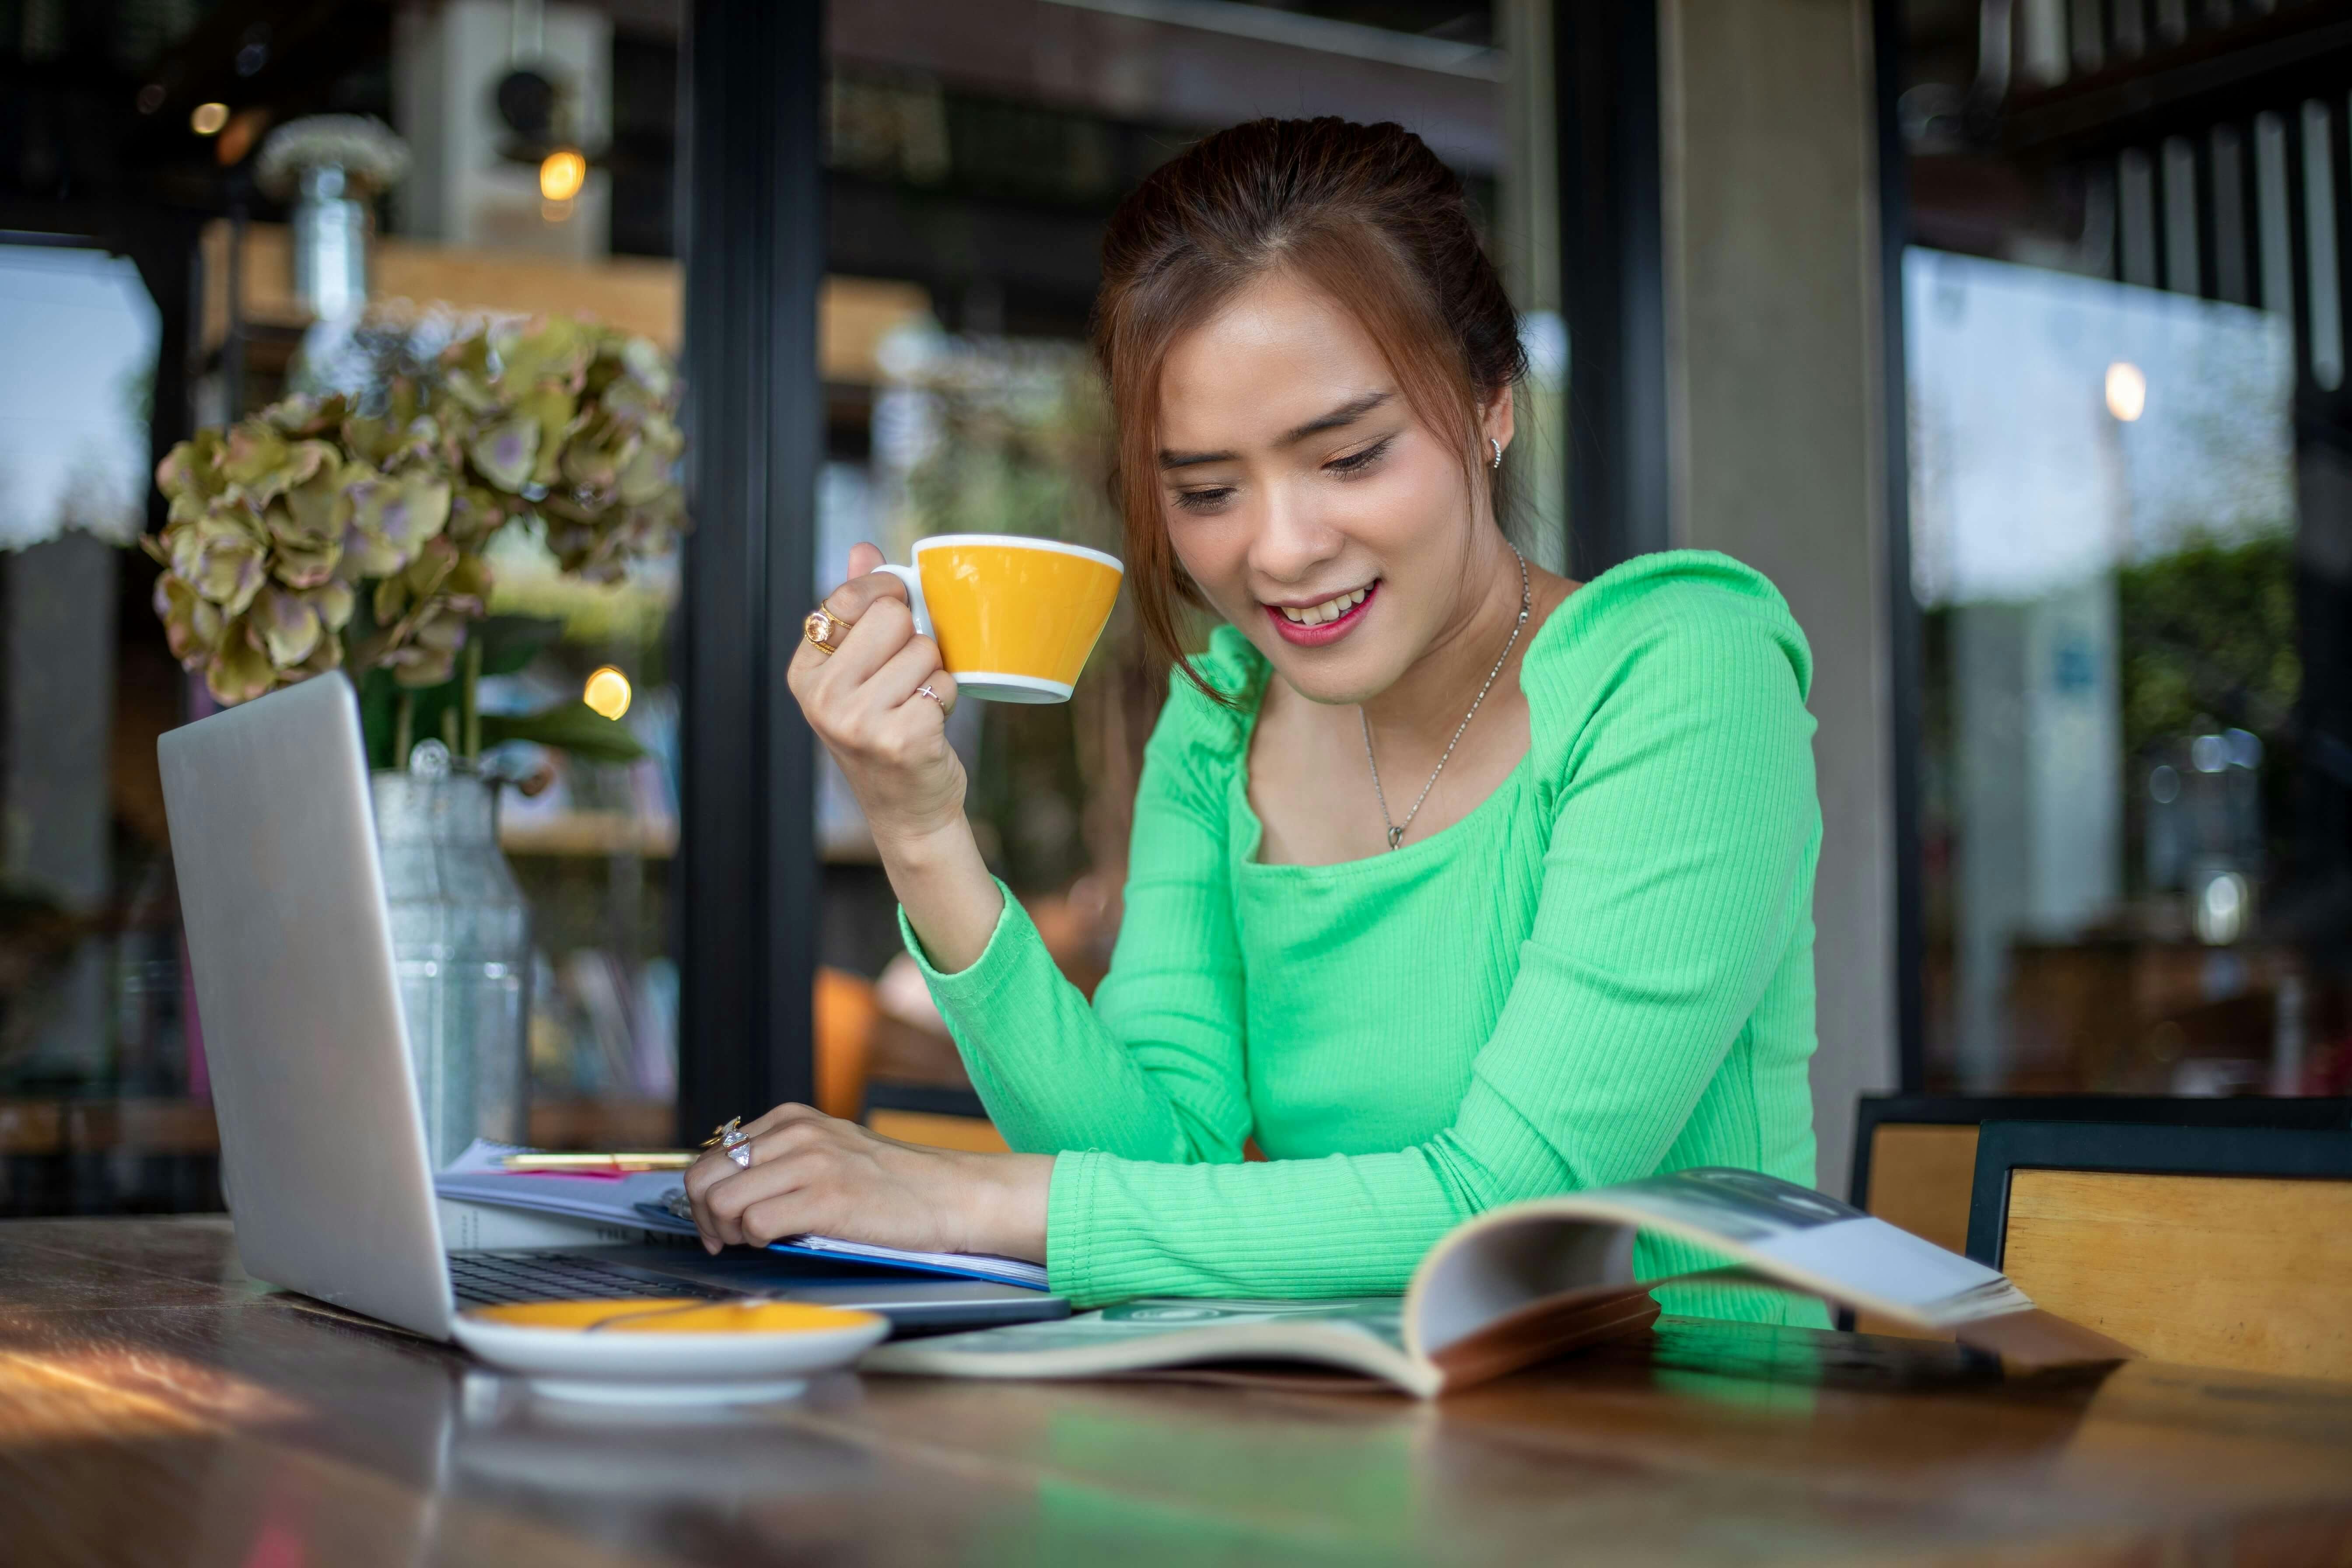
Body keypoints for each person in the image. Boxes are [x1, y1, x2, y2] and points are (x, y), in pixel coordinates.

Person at [686, 117, 1824, 1322]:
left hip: (1690, 1455)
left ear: (1493, 406)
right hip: (1351, 1447)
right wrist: (920, 831)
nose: (1279, 551)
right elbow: (1151, 1159)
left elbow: (1514, 1208)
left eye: (1349, 457)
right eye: (1209, 492)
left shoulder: (1687, 670)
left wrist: (959, 1200)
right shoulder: (1225, 715)